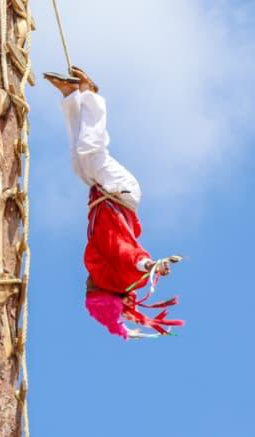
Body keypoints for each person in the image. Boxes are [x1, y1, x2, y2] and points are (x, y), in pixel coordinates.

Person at [46, 66, 184, 339]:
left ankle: (71, 97)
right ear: (101, 290)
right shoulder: (114, 272)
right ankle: (91, 95)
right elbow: (129, 255)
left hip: (107, 193)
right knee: (91, 153)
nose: (85, 286)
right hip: (121, 192)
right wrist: (150, 265)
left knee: (80, 163)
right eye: (90, 291)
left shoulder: (99, 265)